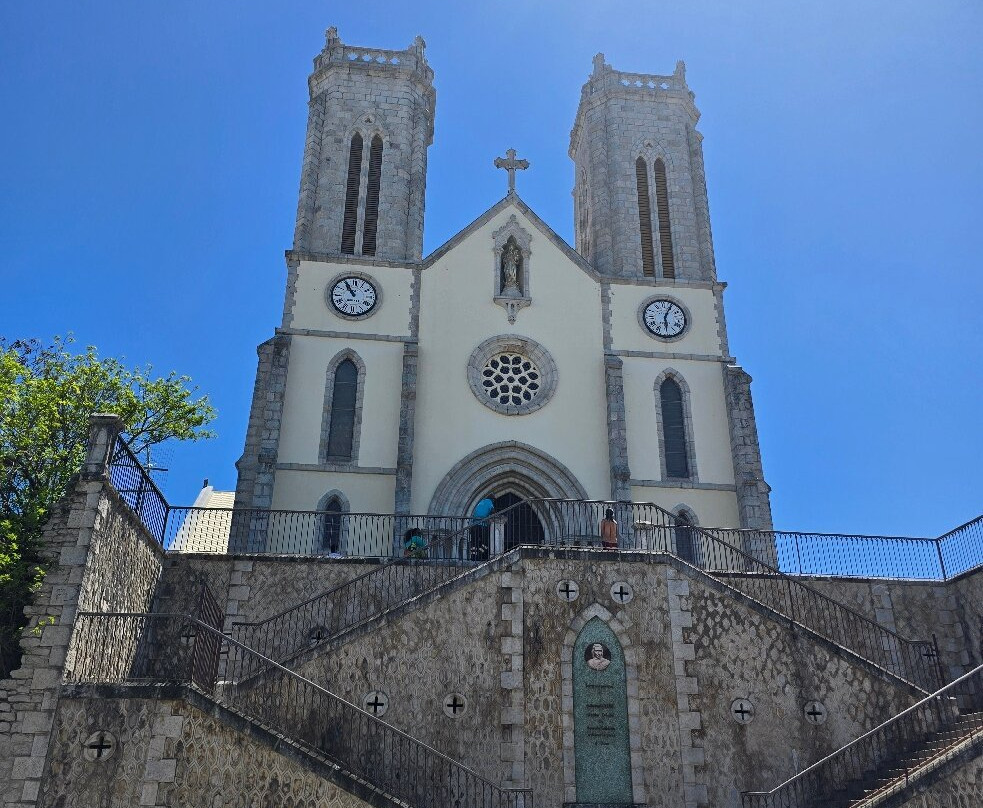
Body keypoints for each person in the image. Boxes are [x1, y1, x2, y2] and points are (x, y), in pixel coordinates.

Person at [471, 494, 495, 561]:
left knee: (474, 543)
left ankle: (473, 557)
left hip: (474, 525)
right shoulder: (489, 502)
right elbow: (493, 511)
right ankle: (480, 555)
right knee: (486, 543)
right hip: (482, 525)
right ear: (492, 499)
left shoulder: (481, 502)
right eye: (493, 500)